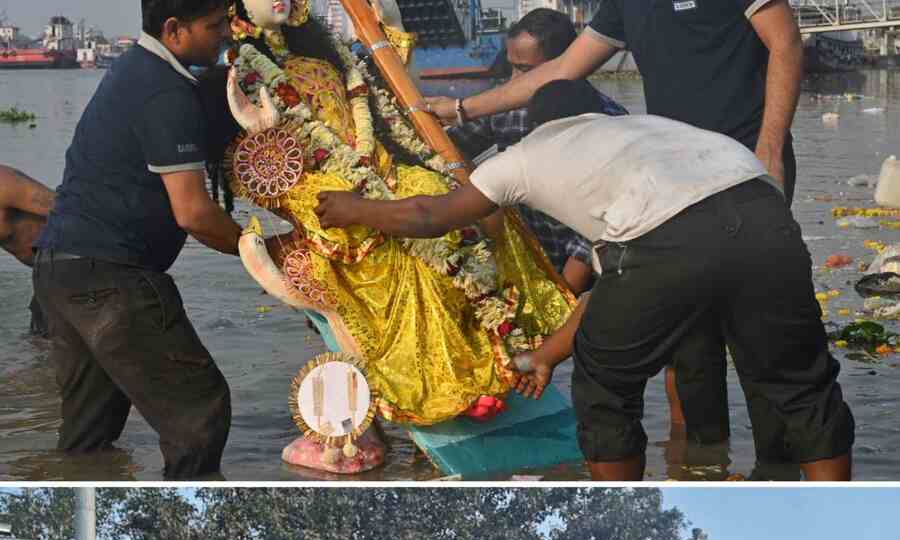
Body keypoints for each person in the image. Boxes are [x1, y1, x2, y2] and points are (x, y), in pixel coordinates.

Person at [426, 0, 804, 452]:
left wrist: (769, 151)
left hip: (744, 181)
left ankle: (780, 473)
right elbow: (557, 71)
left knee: (764, 343)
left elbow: (785, 45)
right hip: (670, 200)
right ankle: (701, 465)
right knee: (691, 348)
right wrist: (460, 106)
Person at [200, 0, 574, 473]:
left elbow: (390, 108)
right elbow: (253, 174)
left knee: (474, 204)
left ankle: (507, 353)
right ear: (234, 10)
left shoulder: (327, 58)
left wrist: (390, 27)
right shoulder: (245, 74)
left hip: (384, 177)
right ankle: (446, 387)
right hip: (324, 197)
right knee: (413, 235)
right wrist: (267, 135)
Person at [316, 79, 855, 482]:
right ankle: (837, 513)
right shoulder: (652, 132)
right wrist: (549, 353)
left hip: (670, 232)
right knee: (802, 383)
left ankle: (618, 514)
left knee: (605, 384)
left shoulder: (524, 157)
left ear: (537, 124)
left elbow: (429, 217)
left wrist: (355, 207)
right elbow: (612, 285)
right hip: (765, 213)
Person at [32, 0, 242, 479]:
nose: (224, 35)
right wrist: (263, 248)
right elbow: (193, 212)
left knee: (89, 433)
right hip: (111, 275)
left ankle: (79, 486)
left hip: (60, 268)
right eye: (215, 25)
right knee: (200, 412)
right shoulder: (164, 93)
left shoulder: (135, 67)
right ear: (174, 29)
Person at [450, 7, 626, 293]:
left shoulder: (607, 120)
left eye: (525, 71)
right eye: (511, 67)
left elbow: (602, 227)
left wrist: (565, 296)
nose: (512, 82)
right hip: (527, 259)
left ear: (564, 65)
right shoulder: (504, 110)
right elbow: (450, 147)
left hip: (594, 275)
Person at [0, 163, 53, 335]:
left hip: (76, 259)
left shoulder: (5, 182)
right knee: (41, 345)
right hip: (45, 273)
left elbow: (66, 209)